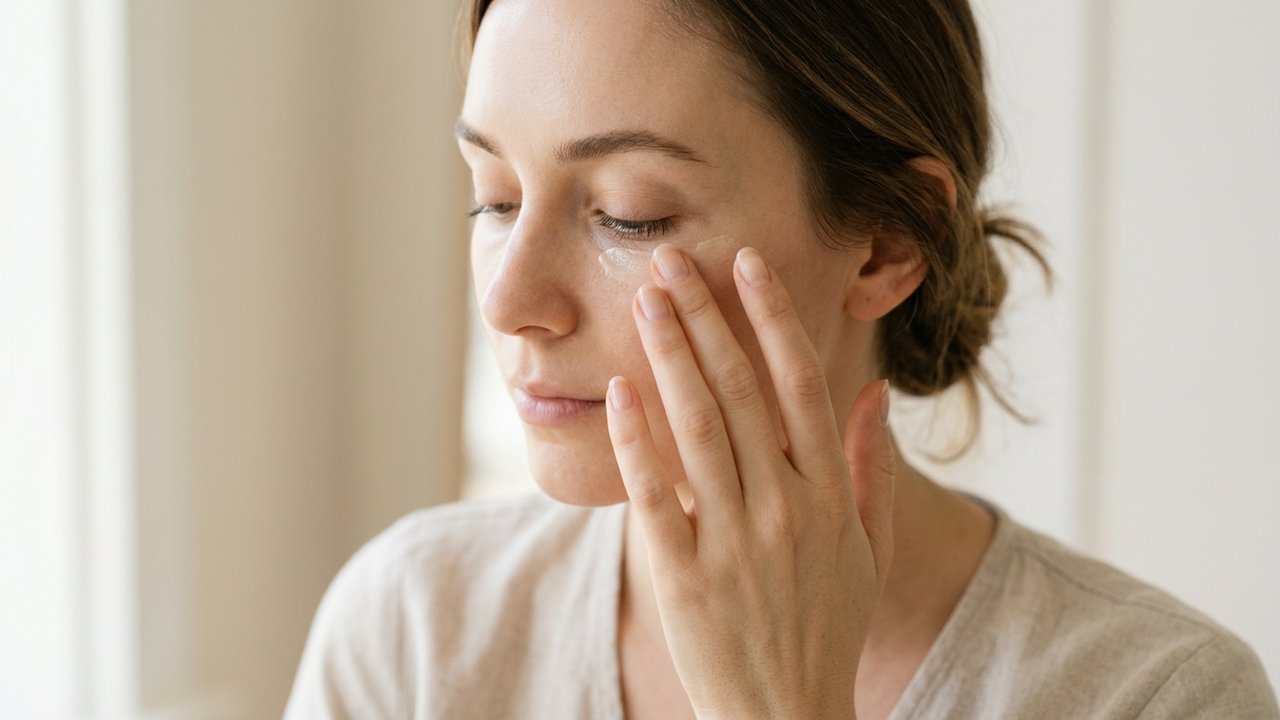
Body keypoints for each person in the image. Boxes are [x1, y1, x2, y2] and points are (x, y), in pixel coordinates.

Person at [284, 0, 1279, 717]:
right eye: (494, 198)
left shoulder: (1154, 697)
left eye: (627, 214)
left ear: (887, 243)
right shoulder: (415, 630)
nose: (508, 301)